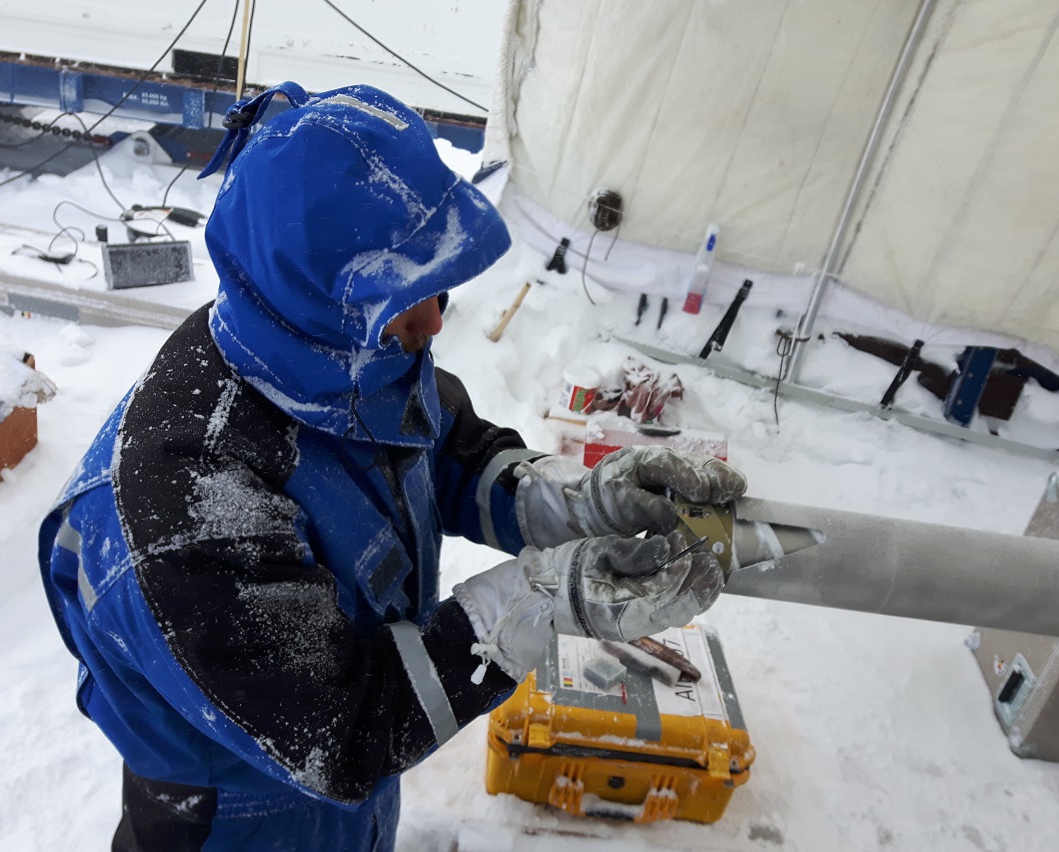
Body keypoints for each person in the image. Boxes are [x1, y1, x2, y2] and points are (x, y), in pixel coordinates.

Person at [38, 82, 747, 851]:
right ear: (312, 302)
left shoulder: (338, 354)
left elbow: (441, 445)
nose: (435, 320)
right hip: (239, 822)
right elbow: (344, 726)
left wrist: (574, 502)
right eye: (398, 300)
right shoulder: (185, 506)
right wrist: (543, 602)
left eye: (433, 286)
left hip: (349, 806)